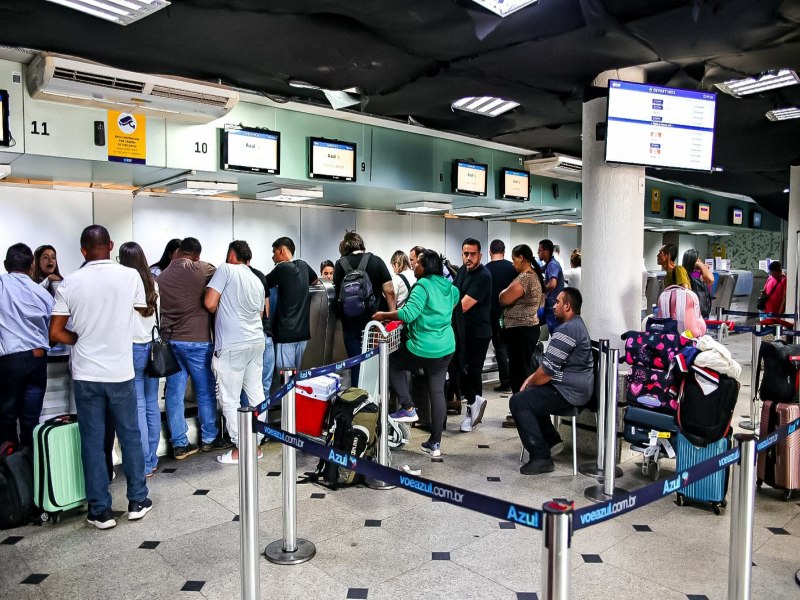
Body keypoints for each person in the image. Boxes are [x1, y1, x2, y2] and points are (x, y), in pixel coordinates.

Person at [49, 225, 153, 529]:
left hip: (85, 375)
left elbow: (55, 333)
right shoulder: (129, 276)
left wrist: (78, 339)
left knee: (93, 442)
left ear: (83, 250)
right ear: (110, 245)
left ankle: (100, 511)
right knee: (130, 436)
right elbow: (141, 310)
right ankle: (136, 501)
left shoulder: (70, 282)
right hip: (120, 372)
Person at [373, 249, 459, 457]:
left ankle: (408, 407)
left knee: (393, 363)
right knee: (437, 392)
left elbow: (408, 314)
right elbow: (452, 304)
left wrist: (383, 314)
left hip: (423, 346)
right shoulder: (450, 286)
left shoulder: (423, 286)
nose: (414, 266)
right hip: (445, 347)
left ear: (426, 267)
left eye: (418, 263)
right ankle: (435, 444)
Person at [509, 287, 594, 475]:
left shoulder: (567, 330)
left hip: (571, 392)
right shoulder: (576, 325)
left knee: (519, 401)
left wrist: (529, 383)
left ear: (567, 306)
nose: (553, 306)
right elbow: (549, 367)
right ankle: (551, 439)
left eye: (557, 302)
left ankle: (541, 457)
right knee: (532, 395)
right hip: (573, 387)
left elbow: (546, 372)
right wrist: (532, 380)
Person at [157, 237, 227, 459]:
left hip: (171, 342)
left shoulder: (162, 276)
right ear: (197, 255)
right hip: (198, 342)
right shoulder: (203, 269)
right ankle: (209, 438)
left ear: (177, 253)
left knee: (174, 393)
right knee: (205, 390)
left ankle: (180, 444)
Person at [205, 241, 266, 465]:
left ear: (231, 254)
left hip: (232, 344)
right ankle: (257, 444)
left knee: (229, 398)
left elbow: (210, 303)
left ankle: (241, 450)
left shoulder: (225, 269)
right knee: (257, 395)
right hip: (256, 341)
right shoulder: (256, 279)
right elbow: (260, 314)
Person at [0, 243, 54, 448]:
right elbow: (54, 330)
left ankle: (10, 475)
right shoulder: (42, 293)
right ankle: (33, 474)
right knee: (31, 421)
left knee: (6, 420)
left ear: (5, 265)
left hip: (8, 361)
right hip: (37, 359)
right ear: (32, 265)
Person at [118, 242, 161, 478]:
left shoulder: (125, 282)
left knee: (139, 406)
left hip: (132, 348)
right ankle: (153, 458)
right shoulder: (152, 282)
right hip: (152, 348)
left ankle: (143, 463)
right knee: (151, 404)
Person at [334, 231, 395, 384]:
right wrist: (390, 316)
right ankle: (375, 400)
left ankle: (357, 400)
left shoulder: (340, 264)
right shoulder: (376, 261)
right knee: (375, 362)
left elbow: (337, 295)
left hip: (349, 323)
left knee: (356, 363)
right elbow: (390, 291)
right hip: (375, 321)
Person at [453, 237, 491, 433]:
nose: (468, 258)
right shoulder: (462, 270)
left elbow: (463, 305)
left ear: (480, 255)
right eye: (466, 254)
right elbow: (454, 294)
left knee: (473, 371)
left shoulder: (483, 276)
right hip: (462, 330)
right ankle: (474, 405)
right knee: (459, 368)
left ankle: (472, 413)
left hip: (478, 332)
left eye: (472, 254)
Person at [266, 237, 318, 370]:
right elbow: (315, 280)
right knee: (298, 376)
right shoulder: (303, 265)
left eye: (274, 252)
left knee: (286, 378)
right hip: (303, 333)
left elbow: (263, 283)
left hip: (286, 333)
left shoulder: (281, 269)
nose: (273, 257)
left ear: (282, 251)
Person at [499, 244, 544, 395]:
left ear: (521, 257)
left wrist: (501, 294)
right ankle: (520, 407)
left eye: (514, 259)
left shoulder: (526, 278)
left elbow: (504, 298)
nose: (513, 263)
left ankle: (521, 407)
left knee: (520, 371)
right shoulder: (533, 276)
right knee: (521, 368)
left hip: (522, 331)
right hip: (523, 330)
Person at [485, 239, 516, 393]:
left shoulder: (485, 270)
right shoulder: (512, 268)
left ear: (490, 252)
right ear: (504, 252)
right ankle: (513, 380)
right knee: (510, 349)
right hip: (511, 314)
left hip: (491, 314)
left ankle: (505, 381)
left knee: (500, 348)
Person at [538, 239, 565, 333]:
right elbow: (539, 270)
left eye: (539, 250)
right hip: (550, 304)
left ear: (546, 252)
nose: (538, 253)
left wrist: (540, 290)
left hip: (552, 305)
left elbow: (553, 284)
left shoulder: (552, 265)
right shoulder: (549, 263)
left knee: (555, 332)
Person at [761, 261, 788, 326]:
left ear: (779, 270)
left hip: (776, 316)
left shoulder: (785, 280)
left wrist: (779, 315)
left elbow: (784, 299)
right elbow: (765, 291)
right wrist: (763, 294)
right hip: (767, 313)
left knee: (776, 333)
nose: (772, 274)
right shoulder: (770, 278)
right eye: (771, 272)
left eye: (774, 273)